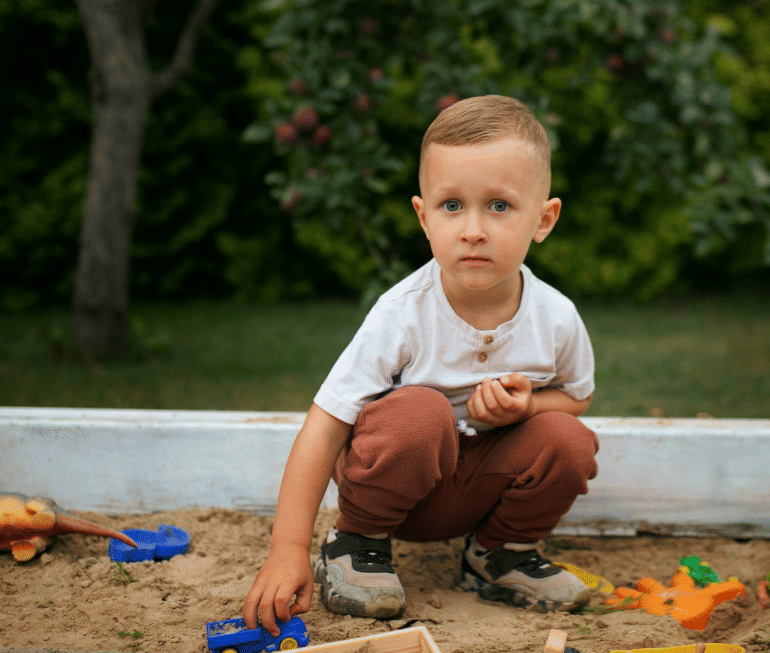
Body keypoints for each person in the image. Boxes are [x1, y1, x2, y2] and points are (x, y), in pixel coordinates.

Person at [243, 95, 600, 635]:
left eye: (499, 206)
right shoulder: (403, 312)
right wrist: (286, 550)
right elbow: (326, 422)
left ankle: (498, 555)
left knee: (568, 438)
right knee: (420, 411)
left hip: (480, 490)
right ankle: (354, 547)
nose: (473, 229)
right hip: (395, 495)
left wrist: (525, 406)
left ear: (543, 219)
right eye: (451, 206)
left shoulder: (556, 317)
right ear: (423, 216)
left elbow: (577, 397)